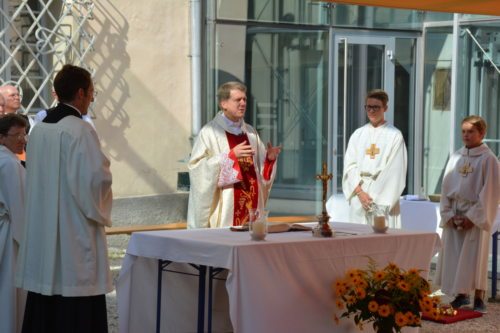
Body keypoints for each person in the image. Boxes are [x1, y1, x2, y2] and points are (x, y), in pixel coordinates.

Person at [15, 64, 113, 333]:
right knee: (75, 293)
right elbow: (95, 182)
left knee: (47, 296)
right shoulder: (79, 130)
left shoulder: (39, 128)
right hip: (73, 234)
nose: (92, 98)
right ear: (80, 93)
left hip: (44, 230)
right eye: (92, 92)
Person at [187, 81, 281, 228]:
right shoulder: (210, 132)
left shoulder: (251, 132)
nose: (243, 103)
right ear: (223, 103)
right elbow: (197, 169)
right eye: (238, 100)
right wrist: (230, 157)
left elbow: (261, 174)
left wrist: (269, 160)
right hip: (228, 209)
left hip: (253, 208)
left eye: (244, 99)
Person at [435, 115, 500, 313]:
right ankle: (461, 295)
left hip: (475, 214)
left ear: (482, 133)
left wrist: (473, 217)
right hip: (455, 213)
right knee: (455, 256)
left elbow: (490, 191)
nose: (466, 135)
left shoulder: (489, 159)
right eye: (463, 131)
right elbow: (445, 188)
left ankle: (479, 297)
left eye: (471, 131)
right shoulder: (456, 156)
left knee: (475, 256)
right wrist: (448, 215)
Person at [342, 89, 407, 228]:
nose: (371, 111)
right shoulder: (358, 134)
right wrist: (360, 193)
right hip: (359, 197)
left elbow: (395, 172)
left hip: (382, 199)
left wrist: (373, 199)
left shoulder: (395, 135)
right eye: (368, 107)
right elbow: (349, 165)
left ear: (385, 108)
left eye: (376, 107)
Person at [0, 114, 28, 333]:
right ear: (2, 138)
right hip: (10, 236)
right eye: (16, 134)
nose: (22, 139)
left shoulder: (8, 160)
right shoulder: (9, 164)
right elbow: (18, 206)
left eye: (24, 133)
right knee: (10, 290)